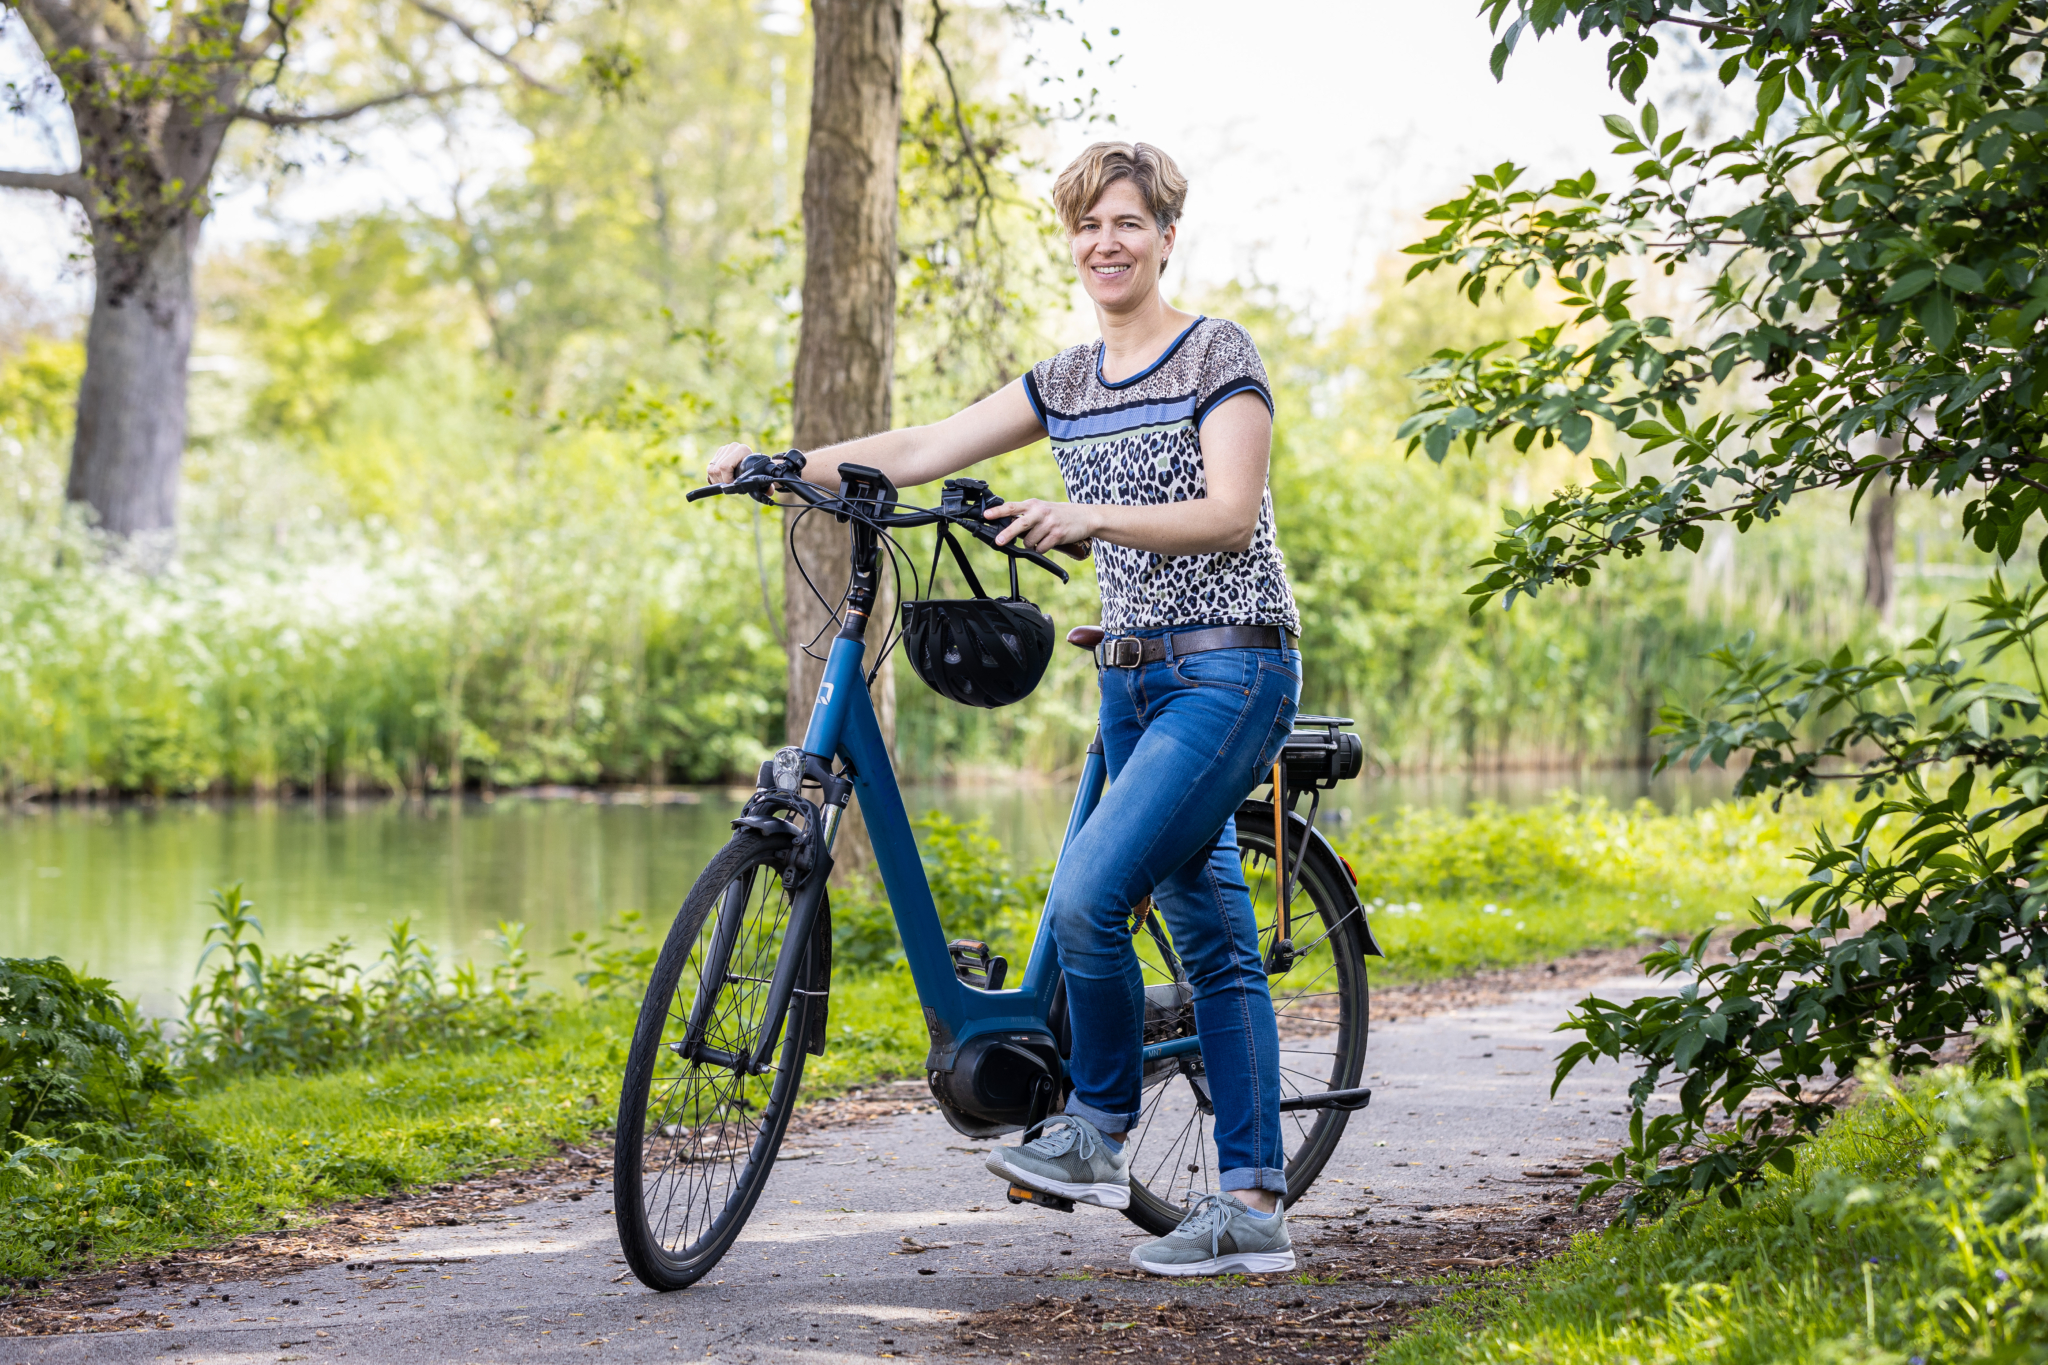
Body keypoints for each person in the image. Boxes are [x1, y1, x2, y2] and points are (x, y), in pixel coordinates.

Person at [706, 141, 1302, 1277]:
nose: (1104, 244)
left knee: (1087, 897)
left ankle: (1096, 1130)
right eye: (1086, 227)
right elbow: (924, 448)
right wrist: (785, 462)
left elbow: (1228, 514)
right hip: (1127, 676)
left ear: (1165, 235)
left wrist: (1089, 518)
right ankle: (1252, 1203)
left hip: (1230, 668)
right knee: (1215, 948)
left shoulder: (1214, 352)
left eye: (1126, 223)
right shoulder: (1068, 381)